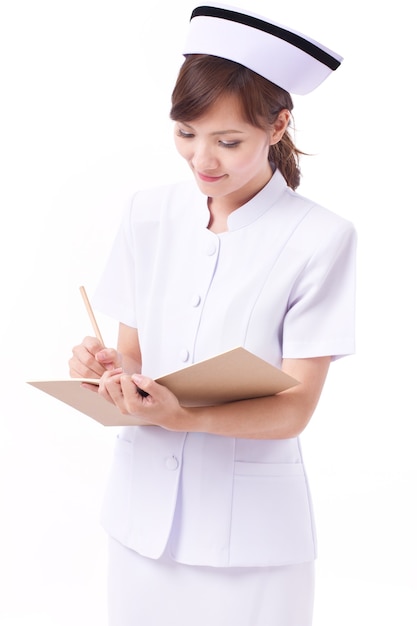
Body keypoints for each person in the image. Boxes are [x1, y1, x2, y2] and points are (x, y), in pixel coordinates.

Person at [69, 4, 356, 625]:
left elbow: (294, 410)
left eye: (229, 142)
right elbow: (137, 358)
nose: (203, 159)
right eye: (186, 134)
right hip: (140, 527)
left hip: (250, 544)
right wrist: (109, 370)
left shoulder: (320, 238)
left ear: (279, 125)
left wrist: (183, 415)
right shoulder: (149, 213)